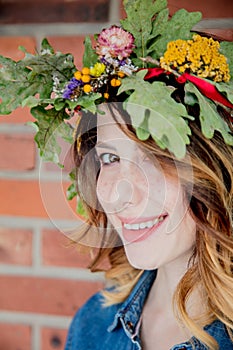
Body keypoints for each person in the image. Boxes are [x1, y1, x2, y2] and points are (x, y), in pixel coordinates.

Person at [0, 1, 232, 349]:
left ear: (212, 167)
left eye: (155, 159)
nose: (115, 193)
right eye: (109, 157)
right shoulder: (93, 325)